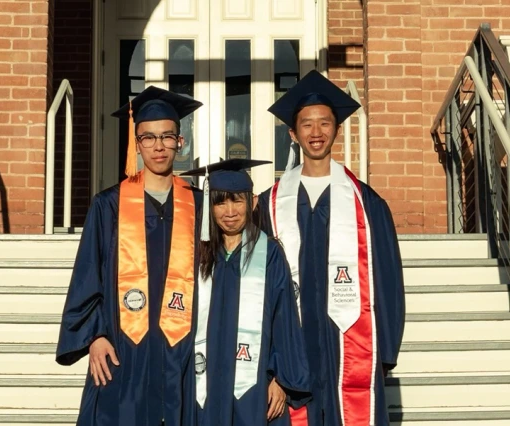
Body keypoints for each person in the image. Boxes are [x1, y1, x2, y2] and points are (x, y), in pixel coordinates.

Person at [256, 70, 405, 426]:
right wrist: (268, 363)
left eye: (325, 123)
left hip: (350, 345)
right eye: (307, 124)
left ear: (337, 129)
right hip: (292, 347)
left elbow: (387, 280)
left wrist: (383, 353)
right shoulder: (269, 205)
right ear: (293, 133)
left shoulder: (368, 205)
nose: (316, 132)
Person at [56, 86, 203, 426]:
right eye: (148, 138)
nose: (158, 146)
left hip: (182, 349)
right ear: (136, 144)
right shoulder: (108, 205)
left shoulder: (199, 205)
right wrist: (94, 336)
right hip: (123, 349)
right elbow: (87, 275)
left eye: (167, 136)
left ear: (180, 142)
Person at [181, 158, 311, 426]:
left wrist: (281, 380)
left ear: (252, 203)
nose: (230, 211)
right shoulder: (195, 255)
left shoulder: (270, 254)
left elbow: (284, 320)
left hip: (253, 386)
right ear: (209, 207)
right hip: (202, 382)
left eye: (237, 201)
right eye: (220, 202)